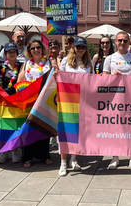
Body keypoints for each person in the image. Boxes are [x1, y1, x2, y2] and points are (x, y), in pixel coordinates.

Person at [102, 31, 131, 171]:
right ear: (115, 42)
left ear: (129, 42)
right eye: (119, 40)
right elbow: (103, 79)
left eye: (125, 41)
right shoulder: (109, 59)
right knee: (116, 128)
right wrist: (113, 76)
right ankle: (115, 157)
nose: (122, 43)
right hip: (115, 99)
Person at [57, 37, 93, 177]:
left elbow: (92, 81)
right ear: (74, 48)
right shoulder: (66, 61)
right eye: (78, 47)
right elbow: (60, 78)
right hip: (67, 100)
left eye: (83, 47)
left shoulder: (88, 63)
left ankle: (74, 159)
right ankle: (63, 163)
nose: (80, 49)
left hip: (83, 101)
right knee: (65, 131)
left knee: (78, 131)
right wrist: (56, 75)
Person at [17, 39, 52, 167]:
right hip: (30, 101)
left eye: (38, 47)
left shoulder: (49, 63)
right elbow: (19, 82)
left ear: (42, 48)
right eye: (33, 48)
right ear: (29, 51)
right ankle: (27, 157)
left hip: (44, 100)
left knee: (43, 128)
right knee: (29, 128)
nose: (36, 50)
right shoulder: (26, 64)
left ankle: (44, 155)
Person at [0, 42, 22, 164]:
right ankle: (3, 152)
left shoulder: (22, 66)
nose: (12, 54)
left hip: (16, 101)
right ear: (5, 53)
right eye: (9, 51)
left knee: (15, 127)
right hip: (3, 101)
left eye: (14, 51)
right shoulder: (0, 68)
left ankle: (15, 151)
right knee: (3, 127)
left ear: (17, 53)